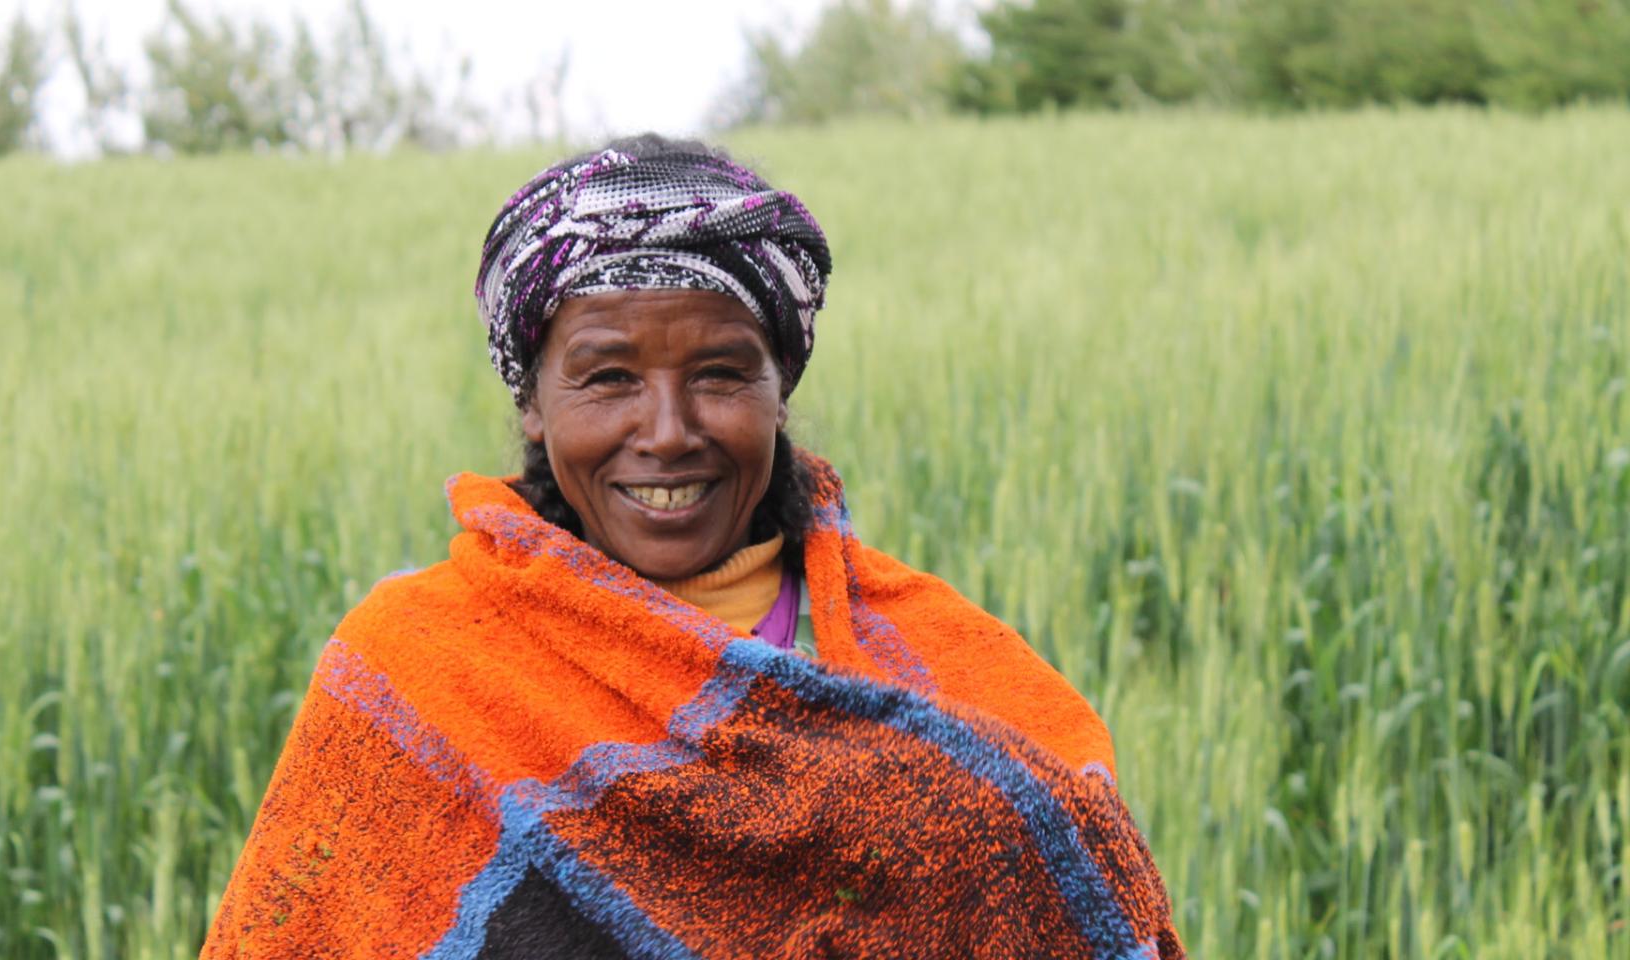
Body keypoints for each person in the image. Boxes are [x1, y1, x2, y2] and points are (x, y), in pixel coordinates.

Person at [201, 135, 1184, 959]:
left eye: (720, 372)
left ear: (777, 394)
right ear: (534, 406)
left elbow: (1081, 887)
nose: (667, 430)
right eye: (608, 377)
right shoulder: (417, 669)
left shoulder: (946, 667)